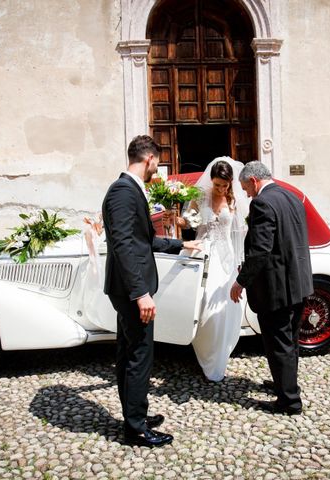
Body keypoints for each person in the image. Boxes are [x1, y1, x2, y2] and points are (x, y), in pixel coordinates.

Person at [102, 135, 200, 448]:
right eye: (156, 163)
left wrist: (181, 244)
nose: (156, 170)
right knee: (139, 355)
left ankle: (136, 416)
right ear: (149, 159)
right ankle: (135, 429)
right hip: (132, 290)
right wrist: (140, 293)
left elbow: (143, 241)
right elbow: (123, 245)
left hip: (130, 288)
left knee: (130, 353)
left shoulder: (130, 190)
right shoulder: (122, 192)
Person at [230, 161, 313, 415]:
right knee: (289, 340)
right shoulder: (291, 196)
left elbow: (261, 250)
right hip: (298, 283)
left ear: (254, 181)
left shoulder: (262, 202)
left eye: (245, 188)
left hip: (277, 287)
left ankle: (289, 401)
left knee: (279, 343)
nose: (246, 193)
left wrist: (241, 281)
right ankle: (284, 383)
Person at [176, 158, 249, 381]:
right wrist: (176, 219)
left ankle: (219, 358)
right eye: (217, 184)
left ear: (230, 183)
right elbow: (189, 223)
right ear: (211, 181)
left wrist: (241, 260)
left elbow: (241, 231)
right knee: (205, 305)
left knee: (224, 307)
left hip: (226, 258)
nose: (220, 189)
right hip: (204, 252)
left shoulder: (234, 199)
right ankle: (204, 354)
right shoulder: (200, 197)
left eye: (224, 185)